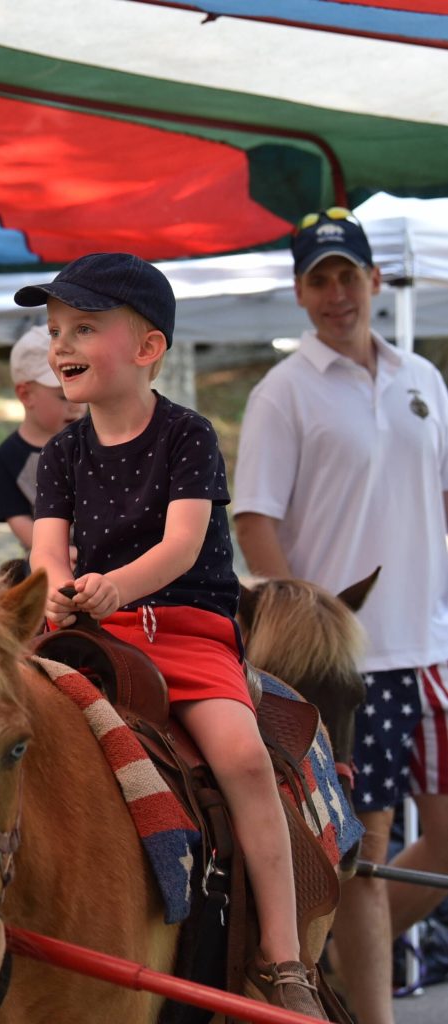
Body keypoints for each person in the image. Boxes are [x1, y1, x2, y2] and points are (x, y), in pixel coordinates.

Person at [14, 251, 328, 1019]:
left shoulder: (186, 434)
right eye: (55, 329)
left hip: (184, 631)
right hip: (96, 630)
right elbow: (46, 550)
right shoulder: (60, 452)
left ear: (148, 348)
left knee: (243, 759)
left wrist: (116, 584)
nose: (60, 345)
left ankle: (281, 956)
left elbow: (183, 543)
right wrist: (56, 590)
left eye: (84, 327)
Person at [233, 208, 448, 1024]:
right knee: (367, 847)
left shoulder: (421, 377)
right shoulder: (280, 392)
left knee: (396, 855)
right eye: (317, 280)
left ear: (373, 280)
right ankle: (364, 1009)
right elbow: (252, 519)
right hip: (352, 662)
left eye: (345, 275)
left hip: (429, 647)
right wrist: (307, 629)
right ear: (298, 292)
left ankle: (324, 968)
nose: (334, 293)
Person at [0, 324, 84, 559]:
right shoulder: (8, 456)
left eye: (82, 388)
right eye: (63, 395)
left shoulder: (94, 438)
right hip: (47, 557)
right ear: (25, 394)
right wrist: (59, 552)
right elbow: (17, 517)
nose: (76, 402)